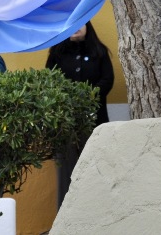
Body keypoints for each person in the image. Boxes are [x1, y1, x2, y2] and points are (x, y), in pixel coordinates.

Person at [46, 21, 114, 208]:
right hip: (65, 124)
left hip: (95, 122)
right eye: (72, 23)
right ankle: (65, 214)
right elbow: (49, 82)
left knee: (95, 167)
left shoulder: (99, 52)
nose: (77, 26)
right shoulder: (57, 54)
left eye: (81, 22)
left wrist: (88, 97)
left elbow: (107, 80)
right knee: (66, 169)